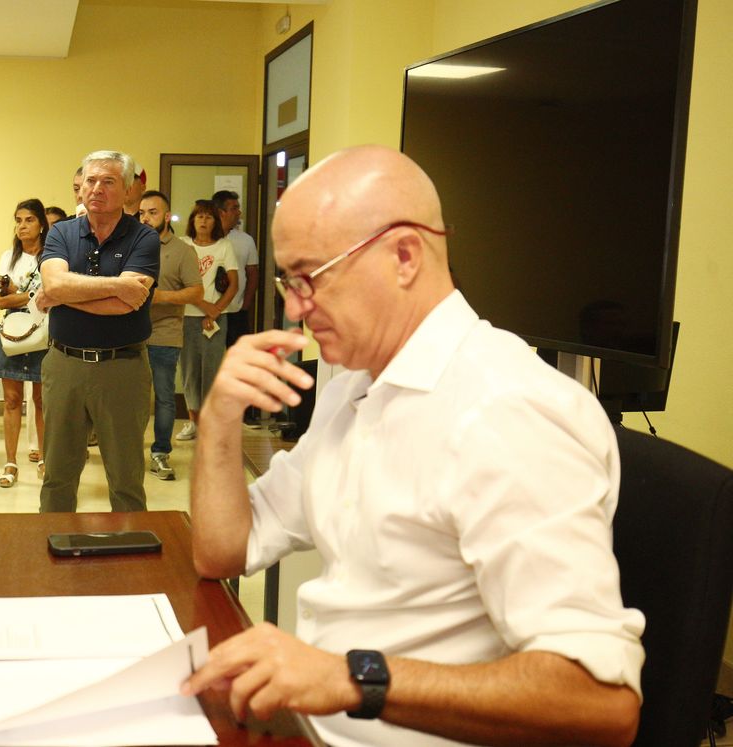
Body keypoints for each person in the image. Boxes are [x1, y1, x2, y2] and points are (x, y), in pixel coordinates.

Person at [184, 145, 643, 746]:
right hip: (314, 726)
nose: (295, 308)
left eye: (310, 278)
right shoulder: (356, 384)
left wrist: (351, 677)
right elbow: (222, 550)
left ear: (404, 256)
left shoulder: (504, 412)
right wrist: (219, 416)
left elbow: (600, 702)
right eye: (286, 281)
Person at [36, 150, 159, 512]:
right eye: (90, 180)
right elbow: (56, 284)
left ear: (127, 190)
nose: (96, 189)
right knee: (57, 475)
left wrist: (60, 294)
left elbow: (127, 303)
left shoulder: (143, 239)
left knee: (126, 479)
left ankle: (131, 561)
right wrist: (113, 285)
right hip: (64, 364)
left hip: (123, 368)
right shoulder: (60, 232)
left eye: (108, 181)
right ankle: (50, 556)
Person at [139, 191, 201, 480]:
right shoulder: (132, 245)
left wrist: (160, 296)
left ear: (166, 216)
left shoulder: (182, 251)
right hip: (130, 335)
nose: (146, 217)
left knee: (164, 397)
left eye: (152, 212)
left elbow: (195, 292)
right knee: (131, 398)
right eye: (142, 213)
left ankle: (160, 453)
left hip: (165, 334)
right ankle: (127, 454)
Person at [0, 198, 50, 487]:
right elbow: (1, 300)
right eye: (18, 220)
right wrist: (30, 296)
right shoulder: (8, 258)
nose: (22, 226)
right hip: (13, 332)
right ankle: (10, 462)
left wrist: (21, 296)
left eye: (28, 220)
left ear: (41, 224)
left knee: (41, 400)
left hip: (42, 331)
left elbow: (52, 295)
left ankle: (43, 459)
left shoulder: (52, 256)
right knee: (12, 400)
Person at [176, 200, 238, 441]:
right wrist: (204, 307)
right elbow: (179, 282)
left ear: (216, 221)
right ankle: (193, 422)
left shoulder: (224, 246)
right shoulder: (183, 245)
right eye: (198, 216)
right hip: (188, 316)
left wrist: (215, 311)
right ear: (192, 220)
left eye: (208, 217)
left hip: (216, 319)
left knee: (211, 371)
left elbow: (234, 284)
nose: (203, 220)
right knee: (190, 371)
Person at [212, 189, 261, 427]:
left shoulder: (245, 240)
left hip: (237, 311)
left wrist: (247, 303)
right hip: (209, 312)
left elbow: (252, 274)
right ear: (220, 211)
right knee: (211, 362)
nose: (238, 212)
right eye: (234, 208)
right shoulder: (205, 237)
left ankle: (244, 411)